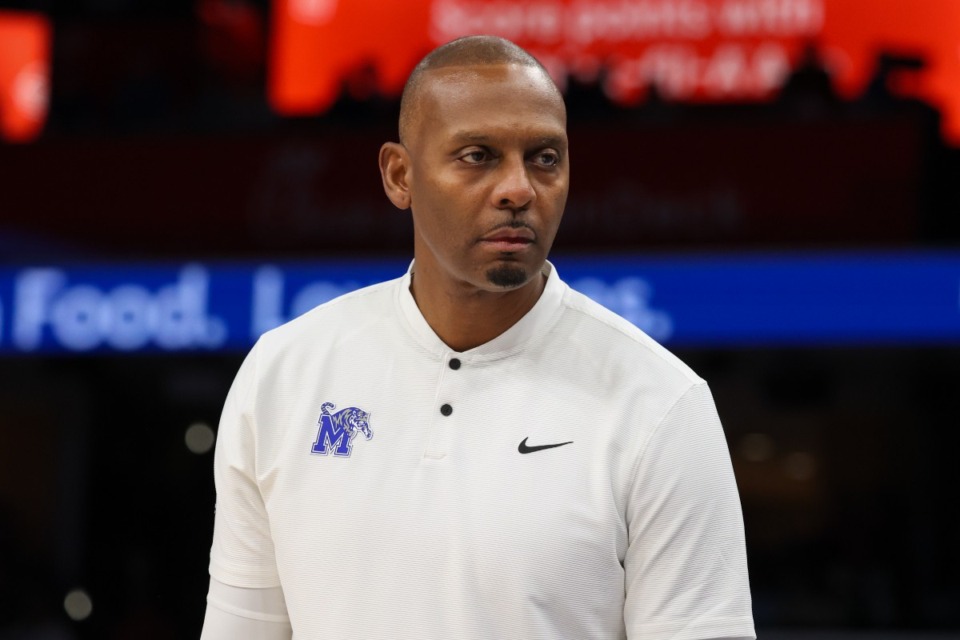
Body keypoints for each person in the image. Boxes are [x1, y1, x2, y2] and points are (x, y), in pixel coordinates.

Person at [200, 35, 756, 640]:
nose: (518, 189)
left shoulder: (660, 402)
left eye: (545, 157)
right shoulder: (283, 374)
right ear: (399, 175)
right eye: (477, 155)